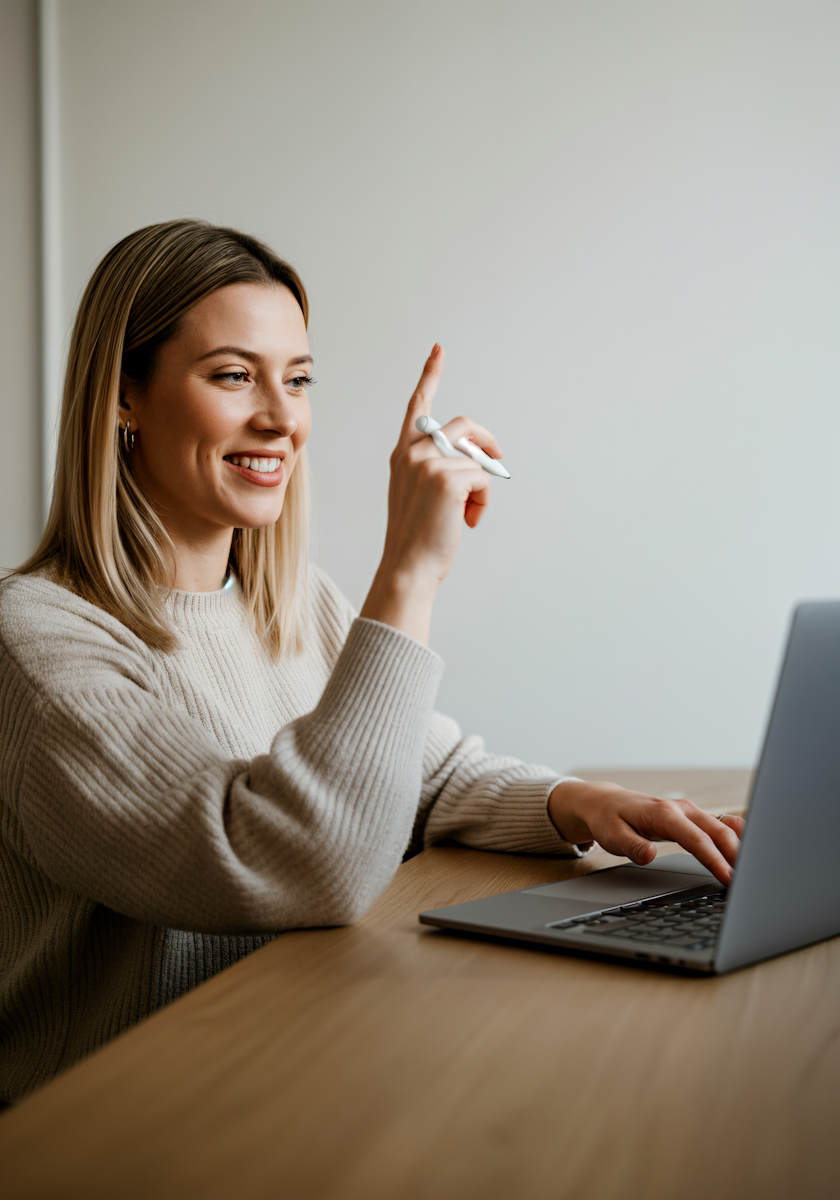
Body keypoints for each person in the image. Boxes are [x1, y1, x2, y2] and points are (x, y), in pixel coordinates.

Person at [0, 220, 743, 1102]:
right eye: (234, 375)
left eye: (299, 380)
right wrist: (411, 571)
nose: (282, 418)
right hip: (115, 1114)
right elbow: (290, 861)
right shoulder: (37, 641)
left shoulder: (289, 601)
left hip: (281, 1056)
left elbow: (413, 776)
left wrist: (570, 801)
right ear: (123, 394)